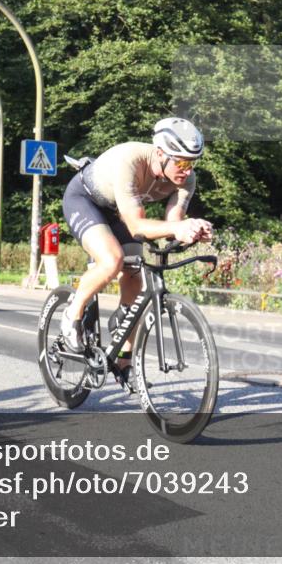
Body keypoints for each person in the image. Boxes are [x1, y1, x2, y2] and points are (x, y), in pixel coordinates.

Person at [61, 117, 213, 389]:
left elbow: (172, 222)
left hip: (121, 211)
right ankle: (72, 313)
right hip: (85, 200)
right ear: (159, 153)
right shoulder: (130, 160)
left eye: (192, 163)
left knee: (135, 277)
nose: (186, 170)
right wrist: (177, 227)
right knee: (112, 260)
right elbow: (135, 224)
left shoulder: (185, 180)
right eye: (180, 162)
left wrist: (190, 231)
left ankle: (124, 360)